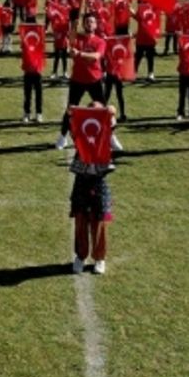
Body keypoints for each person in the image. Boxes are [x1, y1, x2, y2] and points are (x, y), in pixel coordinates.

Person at [69, 103, 116, 275]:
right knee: (80, 221)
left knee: (99, 222)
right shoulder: (79, 130)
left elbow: (112, 111)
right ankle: (80, 256)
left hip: (98, 182)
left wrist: (105, 112)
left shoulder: (106, 129)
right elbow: (70, 120)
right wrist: (76, 112)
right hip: (81, 181)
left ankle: (99, 258)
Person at [55, 12, 107, 149]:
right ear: (84, 24)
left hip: (94, 80)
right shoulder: (77, 38)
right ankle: (62, 137)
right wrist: (74, 25)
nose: (89, 24)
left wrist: (80, 54)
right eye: (87, 22)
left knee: (103, 110)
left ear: (96, 25)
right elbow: (70, 39)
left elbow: (96, 57)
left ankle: (109, 137)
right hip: (77, 80)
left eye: (92, 22)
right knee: (70, 110)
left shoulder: (100, 41)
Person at [19, 23, 45, 123]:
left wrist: (40, 29)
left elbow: (42, 38)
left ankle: (39, 113)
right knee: (27, 94)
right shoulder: (25, 43)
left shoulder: (39, 43)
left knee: (39, 94)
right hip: (27, 71)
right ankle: (27, 113)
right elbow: (22, 40)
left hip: (37, 71)